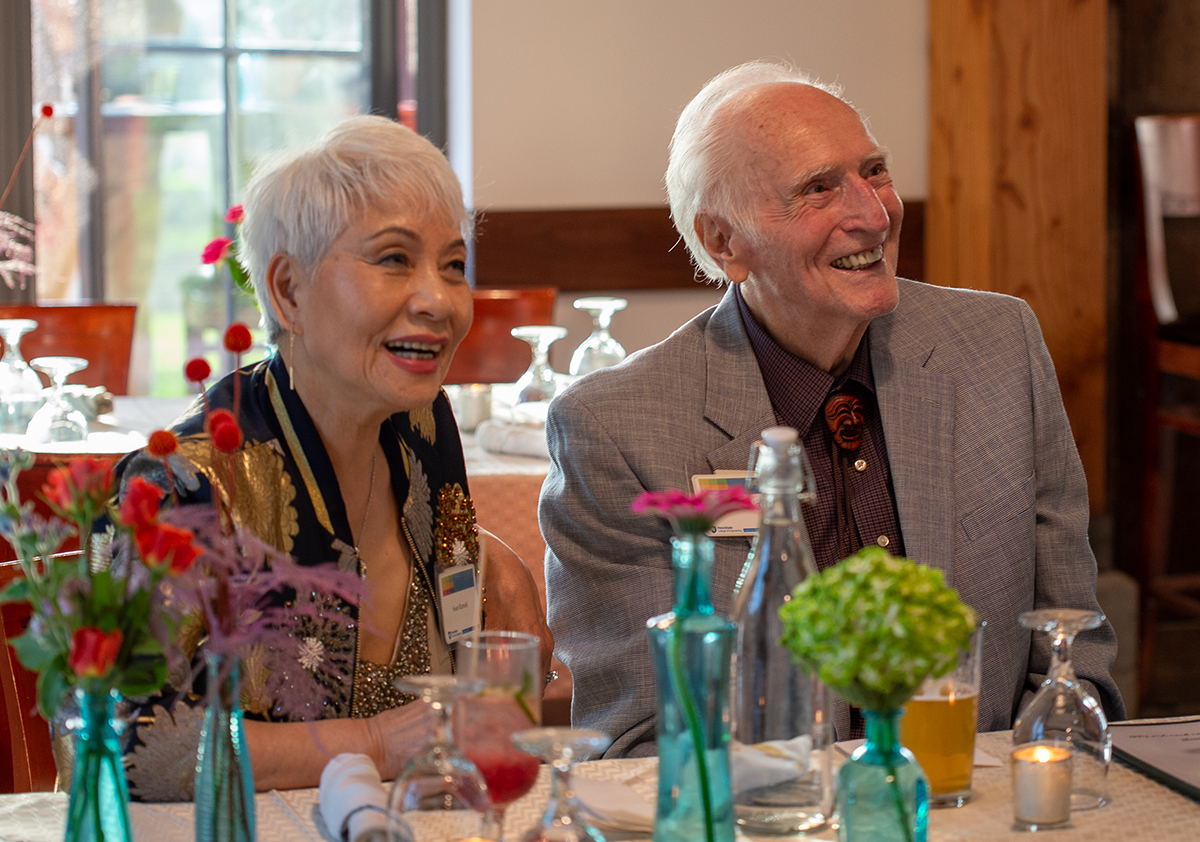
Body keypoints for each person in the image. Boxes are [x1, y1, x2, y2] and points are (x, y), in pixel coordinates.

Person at [540, 60, 1125, 758]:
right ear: (724, 241)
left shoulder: (997, 348)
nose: (875, 214)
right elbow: (641, 737)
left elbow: (1071, 650)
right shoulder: (617, 427)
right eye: (818, 189)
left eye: (873, 171)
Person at [114, 115, 553, 799]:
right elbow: (131, 741)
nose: (439, 300)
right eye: (393, 259)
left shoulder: (422, 425)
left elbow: (458, 611)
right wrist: (375, 744)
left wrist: (495, 561)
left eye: (453, 264)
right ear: (288, 290)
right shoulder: (184, 486)